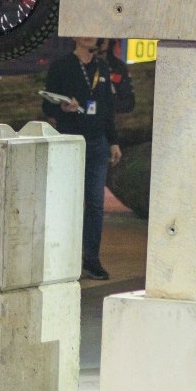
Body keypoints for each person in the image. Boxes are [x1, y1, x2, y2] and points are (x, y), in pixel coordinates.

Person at [40, 35, 125, 280]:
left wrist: (113, 141)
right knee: (67, 201)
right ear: (75, 36)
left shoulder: (102, 68)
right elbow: (47, 106)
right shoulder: (62, 66)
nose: (90, 36)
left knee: (96, 204)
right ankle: (61, 256)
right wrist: (62, 108)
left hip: (97, 143)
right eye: (84, 31)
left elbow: (107, 108)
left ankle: (91, 258)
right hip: (70, 141)